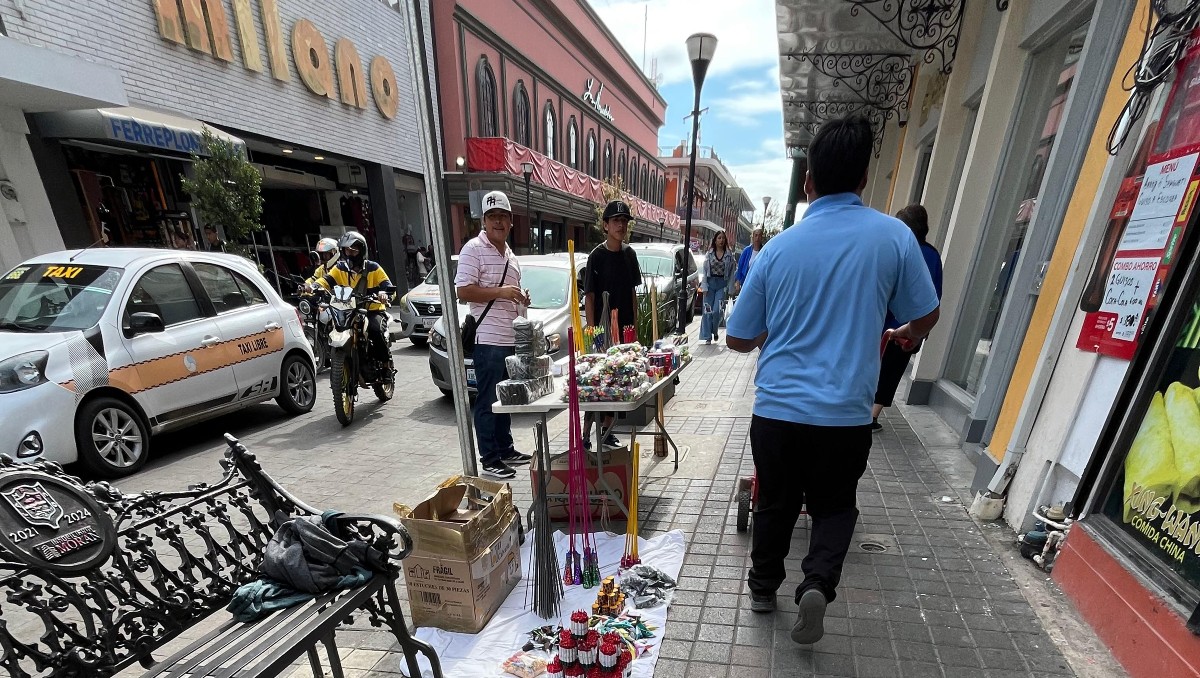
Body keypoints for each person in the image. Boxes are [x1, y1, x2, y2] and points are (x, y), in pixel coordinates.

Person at [725, 115, 940, 645]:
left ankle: (761, 587)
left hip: (778, 410)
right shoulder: (894, 237)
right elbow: (927, 314)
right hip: (845, 413)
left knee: (774, 501)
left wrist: (776, 325)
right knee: (835, 505)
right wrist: (901, 332)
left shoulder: (776, 249)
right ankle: (816, 582)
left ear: (808, 181)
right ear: (865, 179)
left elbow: (737, 338)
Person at [455, 190, 533, 479]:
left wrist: (521, 298)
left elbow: (509, 295)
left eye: (503, 217)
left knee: (506, 397)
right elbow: (463, 291)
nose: (499, 222)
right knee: (488, 400)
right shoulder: (473, 248)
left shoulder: (512, 256)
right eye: (493, 217)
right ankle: (489, 457)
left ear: (511, 222)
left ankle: (505, 448)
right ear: (484, 221)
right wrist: (501, 292)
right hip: (487, 339)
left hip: (510, 338)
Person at [873, 204, 944, 431]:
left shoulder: (897, 249)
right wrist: (921, 332)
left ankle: (864, 413)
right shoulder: (932, 255)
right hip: (910, 327)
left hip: (884, 324)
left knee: (875, 367)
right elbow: (934, 296)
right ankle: (871, 416)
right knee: (891, 371)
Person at [583, 200, 643, 449]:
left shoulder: (630, 255)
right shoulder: (596, 257)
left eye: (624, 221)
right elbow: (590, 297)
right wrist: (592, 331)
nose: (620, 225)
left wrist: (636, 329)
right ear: (605, 225)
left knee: (618, 383)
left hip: (626, 330)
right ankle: (585, 434)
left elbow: (632, 293)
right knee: (596, 383)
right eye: (616, 221)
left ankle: (607, 431)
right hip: (602, 332)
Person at [311, 232, 395, 367]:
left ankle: (385, 365)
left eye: (353, 251)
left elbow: (388, 286)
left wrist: (384, 294)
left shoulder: (373, 268)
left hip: (372, 310)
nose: (349, 254)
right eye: (346, 251)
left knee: (375, 330)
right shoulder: (340, 268)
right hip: (348, 310)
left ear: (361, 251)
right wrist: (312, 286)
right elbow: (325, 280)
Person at [699, 231, 735, 344]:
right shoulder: (709, 254)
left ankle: (714, 331)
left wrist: (730, 289)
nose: (721, 240)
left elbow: (732, 273)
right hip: (709, 285)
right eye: (719, 238)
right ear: (715, 240)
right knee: (707, 311)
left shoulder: (729, 256)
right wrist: (704, 286)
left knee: (717, 311)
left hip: (721, 285)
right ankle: (707, 336)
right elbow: (704, 271)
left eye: (723, 238)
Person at [734, 226, 765, 295]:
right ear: (752, 237)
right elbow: (740, 267)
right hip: (745, 282)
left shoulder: (764, 252)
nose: (757, 238)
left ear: (762, 238)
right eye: (756, 235)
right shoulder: (746, 251)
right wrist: (738, 282)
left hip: (758, 284)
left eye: (759, 236)